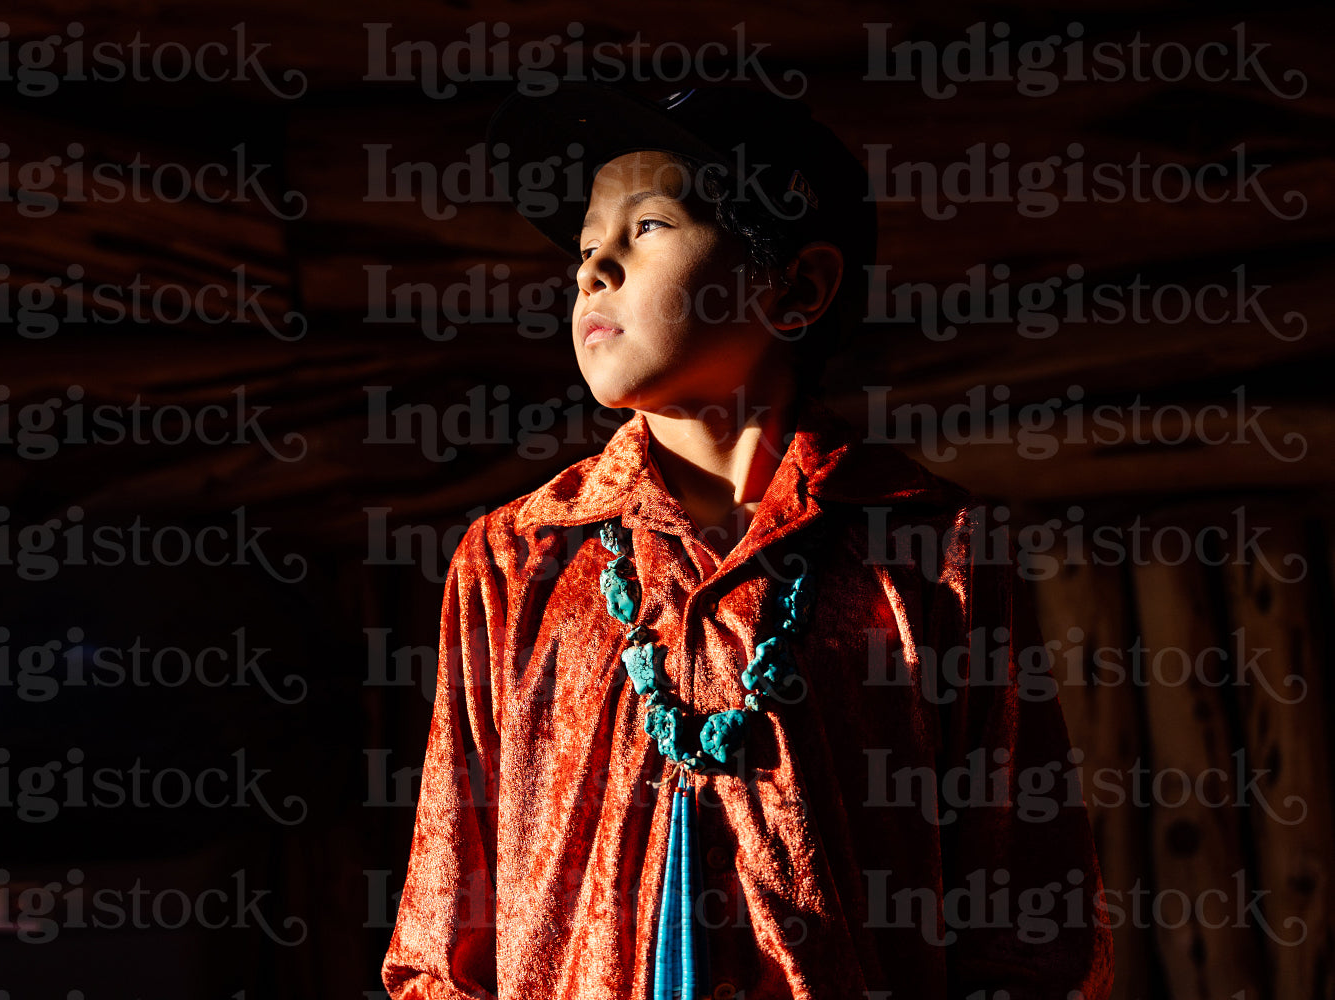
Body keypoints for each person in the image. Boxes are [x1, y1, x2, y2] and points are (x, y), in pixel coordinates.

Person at [381, 82, 1114, 1000]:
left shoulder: (930, 552)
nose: (593, 269)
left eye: (646, 227)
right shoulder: (516, 559)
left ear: (797, 286)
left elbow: (1029, 926)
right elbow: (440, 937)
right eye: (585, 245)